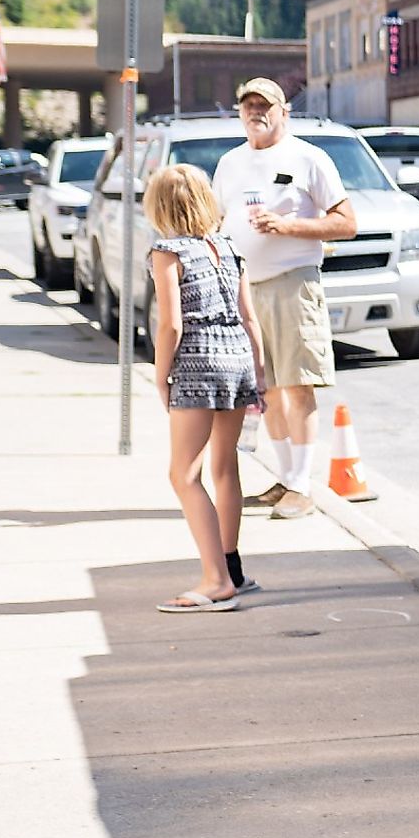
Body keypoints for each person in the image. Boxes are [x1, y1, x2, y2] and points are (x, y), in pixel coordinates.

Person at [212, 79, 356, 518]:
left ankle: (302, 486)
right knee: (267, 391)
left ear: (284, 111)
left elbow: (347, 222)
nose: (256, 112)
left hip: (294, 282)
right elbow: (217, 220)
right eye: (248, 105)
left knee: (298, 384)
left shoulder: (309, 158)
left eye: (265, 105)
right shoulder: (230, 163)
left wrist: (288, 226)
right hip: (244, 288)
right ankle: (286, 478)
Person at [144, 163, 266, 613]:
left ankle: (216, 581)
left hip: (198, 362)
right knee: (224, 466)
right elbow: (250, 317)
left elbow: (170, 325)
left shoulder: (167, 252)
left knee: (183, 475)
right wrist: (260, 372)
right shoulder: (228, 247)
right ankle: (232, 567)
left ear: (160, 207)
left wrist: (162, 376)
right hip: (236, 357)